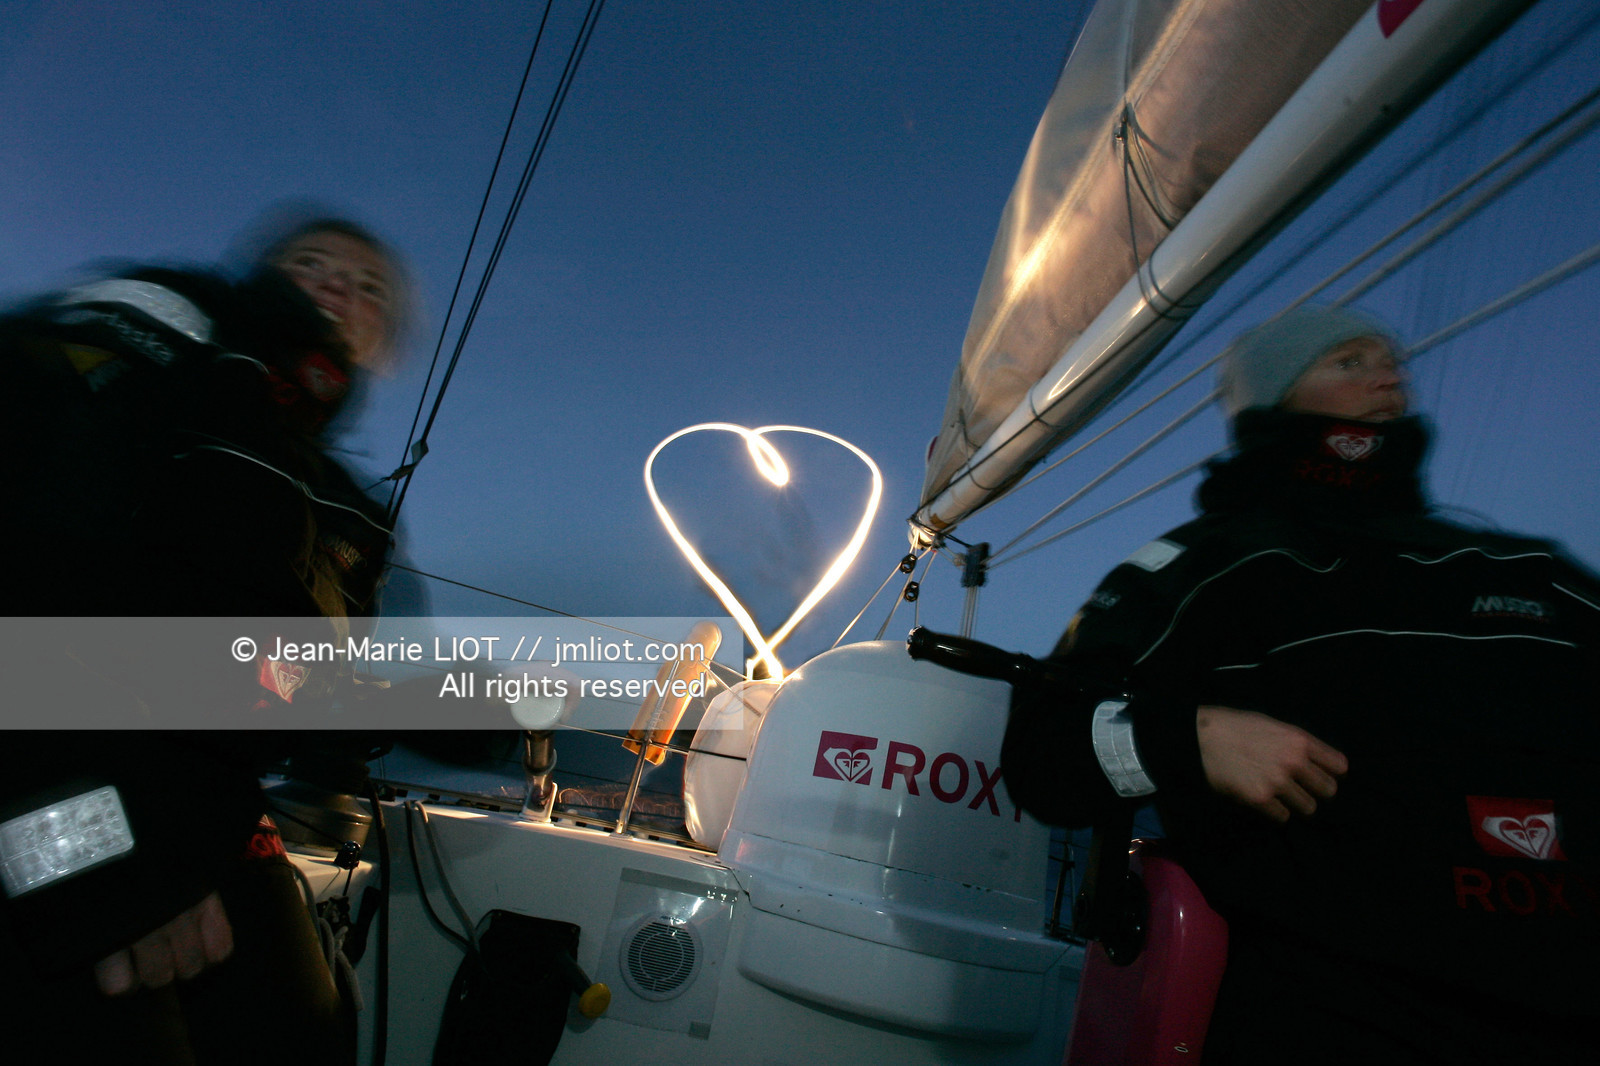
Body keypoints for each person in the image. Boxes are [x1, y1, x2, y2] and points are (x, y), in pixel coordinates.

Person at [1001, 305, 1600, 1064]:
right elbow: (1043, 748)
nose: (1390, 376)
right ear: (1276, 398)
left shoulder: (1530, 574)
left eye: (1391, 361)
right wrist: (1187, 739)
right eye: (1347, 362)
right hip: (1325, 1022)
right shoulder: (1201, 572)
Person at [0, 210, 410, 1064]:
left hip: (215, 822)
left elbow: (290, 687)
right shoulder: (162, 329)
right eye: (311, 261)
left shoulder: (340, 507)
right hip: (60, 797)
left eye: (370, 286)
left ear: (380, 342)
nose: (341, 285)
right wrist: (97, 866)